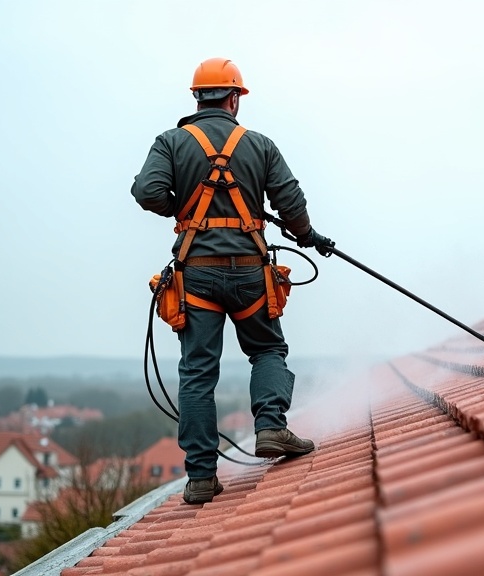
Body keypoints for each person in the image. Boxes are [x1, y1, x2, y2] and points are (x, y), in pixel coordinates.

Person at [131, 58, 333, 504]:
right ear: (235, 98)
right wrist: (307, 235)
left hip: (197, 275)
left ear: (197, 98)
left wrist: (183, 207)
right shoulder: (258, 145)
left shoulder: (171, 142)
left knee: (197, 373)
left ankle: (202, 477)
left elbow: (148, 192)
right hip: (249, 272)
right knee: (267, 349)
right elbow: (290, 201)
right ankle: (271, 427)